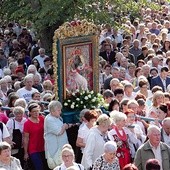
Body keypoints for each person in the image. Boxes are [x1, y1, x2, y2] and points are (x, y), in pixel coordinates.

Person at [44, 101, 69, 169]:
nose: (60, 112)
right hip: (54, 149)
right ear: (52, 111)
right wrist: (64, 126)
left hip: (61, 147)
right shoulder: (49, 119)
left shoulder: (57, 117)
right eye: (58, 110)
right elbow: (59, 132)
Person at [23, 102, 48, 170]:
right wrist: (25, 153)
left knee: (46, 166)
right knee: (39, 167)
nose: (36, 113)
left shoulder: (42, 119)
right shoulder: (27, 123)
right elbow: (25, 138)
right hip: (33, 149)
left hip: (44, 147)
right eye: (34, 111)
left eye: (37, 111)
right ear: (30, 112)